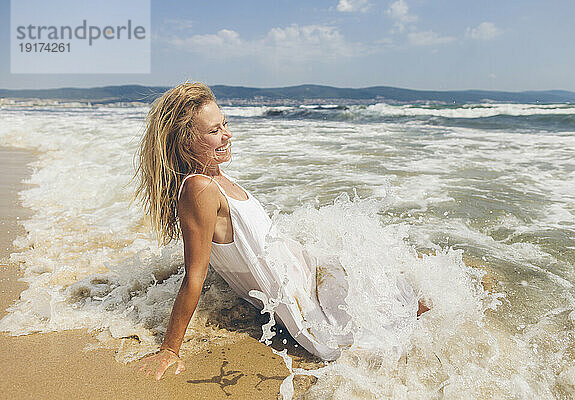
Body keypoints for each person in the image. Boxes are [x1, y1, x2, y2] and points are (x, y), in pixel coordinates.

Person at [133, 82, 428, 380]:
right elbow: (194, 275)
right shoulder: (200, 189)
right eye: (214, 131)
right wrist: (170, 349)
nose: (227, 134)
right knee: (409, 313)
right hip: (306, 300)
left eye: (226, 124)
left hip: (310, 273)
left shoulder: (216, 176)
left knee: (409, 275)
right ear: (186, 142)